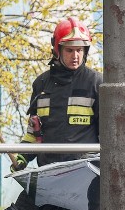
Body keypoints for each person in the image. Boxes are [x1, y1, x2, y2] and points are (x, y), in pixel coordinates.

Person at [12, 17, 102, 171]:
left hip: (86, 173)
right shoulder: (41, 84)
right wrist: (22, 157)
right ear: (57, 49)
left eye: (80, 50)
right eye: (69, 50)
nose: (75, 56)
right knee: (25, 197)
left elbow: (108, 137)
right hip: (49, 171)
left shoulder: (96, 83)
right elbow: (34, 133)